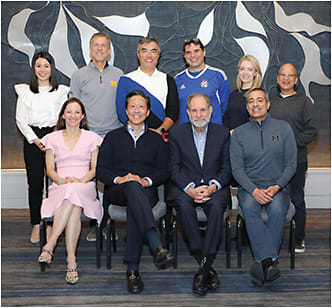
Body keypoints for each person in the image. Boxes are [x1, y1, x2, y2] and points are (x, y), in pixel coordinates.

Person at [97, 90, 174, 294]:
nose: (137, 110)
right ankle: (155, 242)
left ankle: (133, 270)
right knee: (131, 188)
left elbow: (164, 170)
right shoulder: (112, 137)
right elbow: (101, 170)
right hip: (118, 191)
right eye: (133, 106)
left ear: (148, 112)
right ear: (126, 110)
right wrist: (120, 179)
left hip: (146, 190)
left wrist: (146, 181)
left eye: (141, 107)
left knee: (136, 200)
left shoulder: (157, 139)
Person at [230, 88, 297, 286]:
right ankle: (270, 261)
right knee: (250, 208)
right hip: (249, 188)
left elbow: (291, 164)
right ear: (247, 106)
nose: (255, 104)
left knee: (277, 209)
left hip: (278, 187)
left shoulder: (283, 128)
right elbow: (237, 169)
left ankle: (263, 261)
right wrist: (254, 190)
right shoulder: (239, 134)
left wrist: (277, 187)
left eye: (260, 100)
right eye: (251, 101)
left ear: (268, 104)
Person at [167, 93, 232, 296]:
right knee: (184, 207)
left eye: (203, 109)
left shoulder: (222, 133)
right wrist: (189, 188)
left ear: (210, 111)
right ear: (187, 113)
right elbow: (173, 167)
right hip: (186, 187)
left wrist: (213, 186)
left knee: (216, 208)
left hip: (215, 188)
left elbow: (228, 168)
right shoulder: (177, 133)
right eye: (194, 110)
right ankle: (205, 261)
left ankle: (202, 269)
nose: (198, 114)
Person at [37, 97, 103, 285]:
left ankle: (50, 245)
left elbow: (95, 168)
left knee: (74, 191)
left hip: (85, 185)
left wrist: (80, 180)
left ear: (82, 116)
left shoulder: (92, 137)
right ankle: (71, 261)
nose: (73, 115)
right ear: (63, 115)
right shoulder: (52, 138)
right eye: (69, 112)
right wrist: (63, 180)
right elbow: (50, 170)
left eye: (77, 112)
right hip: (60, 186)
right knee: (72, 201)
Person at [69, 32, 123, 241]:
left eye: (104, 46)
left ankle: (108, 223)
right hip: (88, 136)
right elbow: (73, 108)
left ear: (109, 50)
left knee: (110, 181)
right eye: (96, 46)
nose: (100, 49)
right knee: (89, 181)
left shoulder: (119, 74)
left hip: (113, 135)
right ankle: (94, 223)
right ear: (90, 49)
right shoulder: (79, 75)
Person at [15, 51, 69, 244]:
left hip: (55, 138)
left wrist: (52, 139)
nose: (42, 70)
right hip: (33, 141)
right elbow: (20, 119)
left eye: (46, 66)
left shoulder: (61, 91)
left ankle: (51, 222)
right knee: (36, 185)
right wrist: (36, 139)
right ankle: (36, 224)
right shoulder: (25, 91)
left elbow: (64, 117)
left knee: (55, 184)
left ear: (51, 68)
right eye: (38, 66)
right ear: (33, 69)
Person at [269, 63, 317, 253]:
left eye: (290, 75)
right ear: (278, 78)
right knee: (275, 198)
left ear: (296, 80)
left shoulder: (305, 102)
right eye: (283, 75)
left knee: (297, 199)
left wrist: (289, 142)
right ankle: (273, 236)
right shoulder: (270, 101)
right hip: (273, 161)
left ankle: (299, 238)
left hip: (297, 159)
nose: (286, 78)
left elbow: (312, 131)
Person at [116, 37, 179, 136]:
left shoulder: (168, 80)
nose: (149, 55)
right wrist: (138, 133)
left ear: (158, 55)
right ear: (138, 54)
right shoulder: (126, 80)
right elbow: (121, 113)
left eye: (153, 51)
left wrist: (159, 132)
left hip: (161, 138)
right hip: (133, 137)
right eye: (144, 51)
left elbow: (173, 113)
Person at [175, 38, 230, 125]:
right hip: (185, 135)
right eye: (188, 52)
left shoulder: (218, 75)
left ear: (203, 52)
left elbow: (225, 107)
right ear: (184, 56)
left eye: (196, 51)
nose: (193, 55)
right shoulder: (177, 79)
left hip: (213, 133)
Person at [223, 54, 262, 133]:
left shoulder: (259, 96)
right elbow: (227, 119)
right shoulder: (234, 94)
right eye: (242, 69)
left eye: (249, 69)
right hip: (232, 141)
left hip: (249, 140)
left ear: (255, 73)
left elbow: (259, 123)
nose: (245, 73)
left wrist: (238, 132)